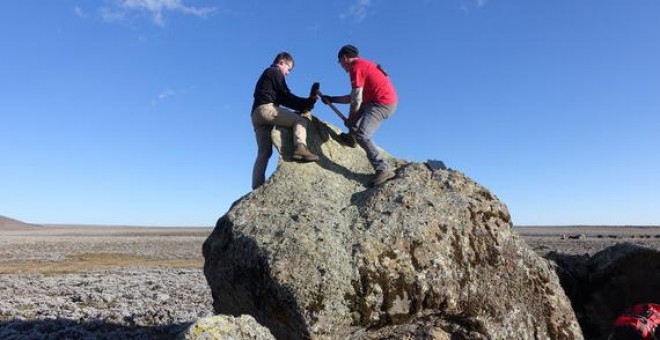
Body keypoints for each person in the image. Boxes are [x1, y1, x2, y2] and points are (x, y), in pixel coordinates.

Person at [321, 45, 398, 187]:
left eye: (340, 62)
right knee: (354, 123)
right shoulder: (364, 65)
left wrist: (351, 118)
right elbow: (354, 97)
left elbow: (356, 100)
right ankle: (351, 138)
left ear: (344, 58)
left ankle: (383, 168)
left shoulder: (356, 67)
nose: (341, 67)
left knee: (362, 134)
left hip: (382, 104)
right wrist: (332, 99)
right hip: (373, 101)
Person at [251, 51, 319, 190]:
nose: (288, 73)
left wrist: (305, 103)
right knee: (300, 121)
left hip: (256, 115)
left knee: (264, 152)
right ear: (282, 62)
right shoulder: (275, 72)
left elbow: (283, 98)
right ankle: (300, 148)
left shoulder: (268, 75)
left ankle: (257, 186)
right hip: (266, 109)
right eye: (289, 68)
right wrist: (306, 103)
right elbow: (286, 96)